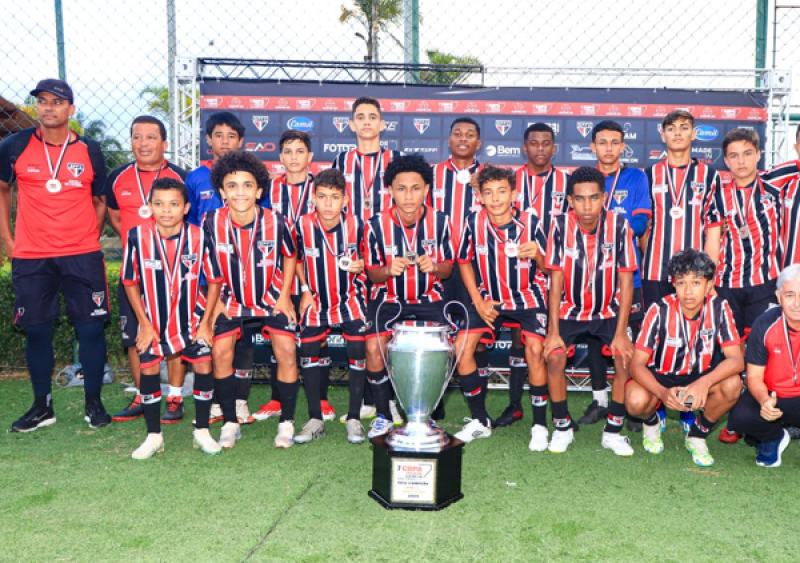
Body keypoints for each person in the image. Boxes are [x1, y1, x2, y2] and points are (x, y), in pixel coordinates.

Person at [0, 78, 111, 431]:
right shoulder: (14, 146)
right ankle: (41, 407)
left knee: (91, 330)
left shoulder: (90, 149)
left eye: (57, 102)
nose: (49, 107)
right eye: (43, 102)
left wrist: (87, 236)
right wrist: (9, 240)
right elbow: (2, 190)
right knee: (37, 332)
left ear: (70, 109)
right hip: (32, 256)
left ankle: (93, 404)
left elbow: (99, 201)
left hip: (82, 255)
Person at [121, 178, 223, 458]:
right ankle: (154, 436)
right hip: (153, 320)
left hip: (191, 319)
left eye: (174, 204)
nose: (166, 210)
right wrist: (143, 323)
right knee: (150, 369)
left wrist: (206, 323)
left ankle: (202, 430)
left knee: (203, 365)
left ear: (186, 207)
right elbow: (130, 281)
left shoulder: (200, 236)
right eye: (159, 204)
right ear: (149, 206)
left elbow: (215, 279)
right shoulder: (137, 236)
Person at [204, 150, 300, 449]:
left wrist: (285, 295)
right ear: (222, 190)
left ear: (259, 190)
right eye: (232, 186)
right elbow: (203, 265)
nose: (240, 192)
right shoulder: (210, 221)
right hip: (230, 299)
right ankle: (231, 421)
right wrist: (216, 303)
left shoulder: (277, 221)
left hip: (270, 297)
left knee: (286, 349)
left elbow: (290, 256)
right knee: (220, 352)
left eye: (247, 185)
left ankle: (286, 421)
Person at [452, 165, 549, 448]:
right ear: (479, 196)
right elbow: (464, 261)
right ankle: (481, 421)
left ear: (514, 194)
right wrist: (478, 300)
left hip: (527, 298)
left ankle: (540, 425)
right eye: (488, 193)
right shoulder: (473, 221)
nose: (495, 199)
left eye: (502, 192)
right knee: (461, 349)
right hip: (489, 299)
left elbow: (551, 267)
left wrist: (539, 256)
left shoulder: (531, 222)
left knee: (534, 350)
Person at [543, 167, 637, 455]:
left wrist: (621, 333)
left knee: (624, 359)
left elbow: (626, 280)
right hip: (569, 311)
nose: (587, 206)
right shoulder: (559, 225)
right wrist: (553, 331)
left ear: (604, 198)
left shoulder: (620, 225)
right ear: (570, 200)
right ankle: (562, 427)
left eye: (594, 198)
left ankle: (613, 430)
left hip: (608, 311)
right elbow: (555, 280)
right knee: (555, 358)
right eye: (580, 199)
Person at [185, 112, 269, 427]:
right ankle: (217, 403)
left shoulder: (252, 177)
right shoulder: (194, 178)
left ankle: (240, 401)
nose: (224, 141)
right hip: (210, 278)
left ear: (240, 141)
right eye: (218, 135)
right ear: (208, 140)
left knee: (244, 341)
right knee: (214, 340)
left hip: (245, 276)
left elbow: (264, 224)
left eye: (230, 135)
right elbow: (191, 229)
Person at [364, 154, 454, 439]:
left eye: (415, 188)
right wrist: (389, 269)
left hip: (429, 299)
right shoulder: (375, 224)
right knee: (373, 347)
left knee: (442, 348)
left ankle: (427, 412)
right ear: (390, 190)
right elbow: (372, 274)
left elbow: (448, 268)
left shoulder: (441, 221)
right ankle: (383, 414)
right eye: (401, 188)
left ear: (426, 190)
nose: (408, 195)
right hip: (390, 299)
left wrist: (434, 267)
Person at [626, 249, 743, 466]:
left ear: (709, 285)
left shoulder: (720, 307)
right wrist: (662, 392)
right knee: (634, 400)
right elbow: (636, 364)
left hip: (698, 380)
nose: (688, 291)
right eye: (681, 283)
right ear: (674, 285)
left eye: (696, 282)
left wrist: (703, 384)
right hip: (661, 379)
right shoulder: (658, 310)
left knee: (733, 384)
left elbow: (736, 360)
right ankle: (652, 422)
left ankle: (697, 435)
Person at [106, 116, 187, 424]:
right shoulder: (117, 177)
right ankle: (144, 396)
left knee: (175, 335)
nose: (143, 143)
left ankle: (176, 397)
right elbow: (115, 218)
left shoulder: (181, 177)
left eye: (151, 137)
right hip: (135, 274)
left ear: (164, 144)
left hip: (172, 272)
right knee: (135, 335)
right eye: (137, 137)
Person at [496, 123, 570, 427]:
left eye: (546, 143)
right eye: (534, 143)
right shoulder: (509, 181)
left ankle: (559, 411)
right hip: (516, 270)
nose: (540, 149)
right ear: (524, 147)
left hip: (555, 268)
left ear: (554, 148)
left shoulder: (566, 181)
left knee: (551, 342)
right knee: (519, 337)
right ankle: (515, 404)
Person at [581, 120, 651, 428]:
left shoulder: (636, 177)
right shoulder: (584, 180)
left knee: (629, 337)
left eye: (614, 142)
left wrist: (604, 226)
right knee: (595, 338)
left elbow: (639, 224)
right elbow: (578, 222)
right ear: (593, 147)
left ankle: (628, 402)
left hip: (626, 274)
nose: (608, 148)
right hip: (591, 274)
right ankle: (599, 401)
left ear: (623, 146)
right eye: (602, 142)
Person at [295, 168, 369, 444]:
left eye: (334, 197)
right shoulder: (302, 224)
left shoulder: (357, 224)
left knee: (357, 352)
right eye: (322, 196)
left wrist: (362, 264)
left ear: (345, 201)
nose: (327, 203)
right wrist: (303, 289)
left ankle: (353, 418)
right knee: (309, 353)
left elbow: (369, 258)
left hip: (349, 299)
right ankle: (315, 418)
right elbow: (295, 259)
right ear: (313, 198)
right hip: (314, 299)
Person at [430, 117, 486, 423]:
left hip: (475, 268)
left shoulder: (489, 176)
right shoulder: (433, 174)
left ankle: (479, 407)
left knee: (471, 335)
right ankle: (433, 400)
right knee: (439, 334)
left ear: (478, 143)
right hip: (439, 266)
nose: (463, 138)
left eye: (470, 135)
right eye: (457, 134)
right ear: (449, 141)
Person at [727, 264, 800, 467]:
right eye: (790, 295)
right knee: (741, 416)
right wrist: (764, 400)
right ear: (778, 297)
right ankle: (772, 438)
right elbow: (754, 377)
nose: (797, 303)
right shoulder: (765, 323)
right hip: (773, 396)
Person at [332, 96, 401, 222]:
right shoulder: (341, 160)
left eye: (373, 117)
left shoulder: (398, 159)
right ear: (352, 125)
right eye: (360, 117)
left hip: (387, 235)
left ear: (382, 125)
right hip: (351, 235)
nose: (367, 122)